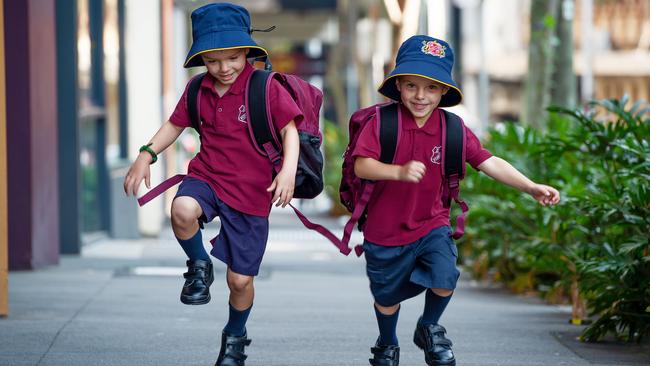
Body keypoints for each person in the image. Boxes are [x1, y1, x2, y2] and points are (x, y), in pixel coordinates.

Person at [352, 35, 561, 366]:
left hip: (431, 222)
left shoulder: (452, 128)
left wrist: (530, 186)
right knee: (386, 297)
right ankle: (387, 342)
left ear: (444, 91)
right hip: (384, 229)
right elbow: (361, 165)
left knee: (446, 273)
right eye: (411, 86)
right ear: (399, 86)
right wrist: (398, 172)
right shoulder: (383, 123)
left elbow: (487, 161)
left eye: (431, 88)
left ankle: (429, 326)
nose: (421, 96)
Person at [123, 3, 302, 365]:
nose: (224, 68)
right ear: (202, 59)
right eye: (214, 60)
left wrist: (287, 172)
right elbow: (175, 125)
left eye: (233, 58)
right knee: (182, 209)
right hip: (207, 177)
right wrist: (146, 153)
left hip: (253, 193)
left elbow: (290, 130)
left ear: (248, 52)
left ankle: (235, 336)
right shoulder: (197, 89)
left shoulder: (264, 86)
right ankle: (199, 266)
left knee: (240, 282)